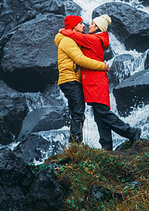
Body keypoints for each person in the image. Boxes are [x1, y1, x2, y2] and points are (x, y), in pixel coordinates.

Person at [59, 14, 141, 151]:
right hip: (92, 81)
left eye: (92, 24)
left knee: (102, 112)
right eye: (84, 24)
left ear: (98, 27)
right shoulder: (95, 39)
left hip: (95, 80)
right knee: (99, 114)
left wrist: (63, 31)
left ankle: (131, 132)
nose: (87, 26)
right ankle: (107, 146)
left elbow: (78, 39)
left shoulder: (93, 39)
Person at [54, 14, 110, 144]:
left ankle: (75, 143)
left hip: (73, 79)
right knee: (78, 111)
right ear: (74, 26)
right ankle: (76, 145)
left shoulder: (74, 39)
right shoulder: (68, 41)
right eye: (80, 24)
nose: (84, 25)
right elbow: (80, 60)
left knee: (77, 111)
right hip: (70, 80)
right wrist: (102, 66)